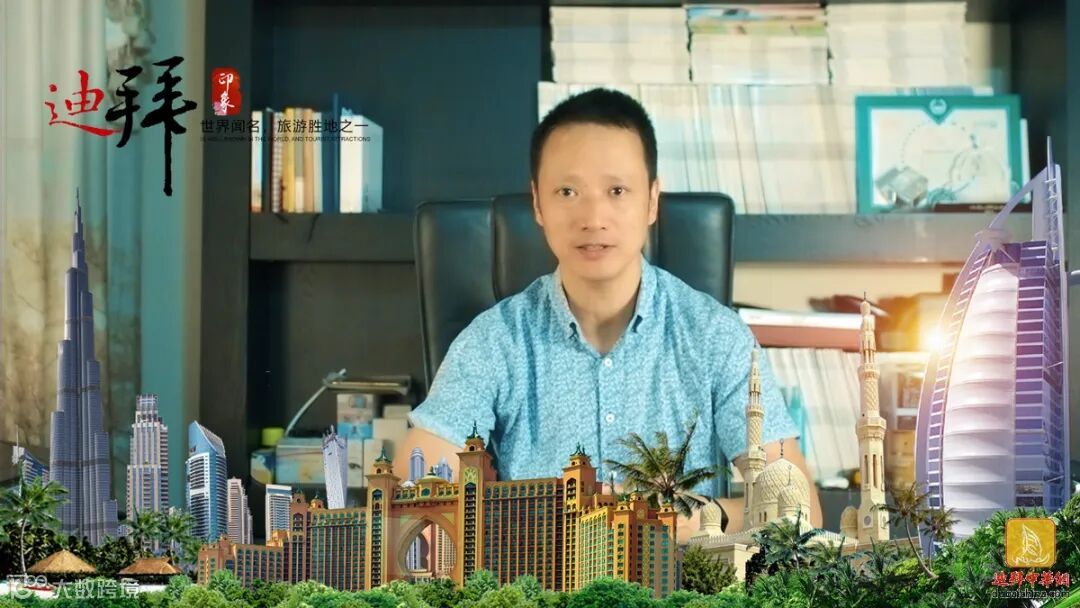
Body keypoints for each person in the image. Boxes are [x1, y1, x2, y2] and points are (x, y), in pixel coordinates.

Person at [398, 88, 821, 542]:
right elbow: (414, 501)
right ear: (537, 203)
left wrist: (673, 518)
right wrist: (549, 525)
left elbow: (798, 512)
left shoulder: (716, 336)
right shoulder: (493, 342)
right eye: (567, 192)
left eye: (617, 191)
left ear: (652, 201)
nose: (593, 217)